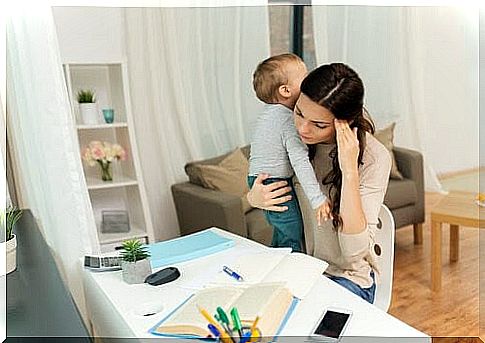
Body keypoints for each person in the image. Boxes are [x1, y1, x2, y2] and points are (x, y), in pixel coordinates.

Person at [247, 62, 392, 303]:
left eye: (319, 125)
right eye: (299, 113)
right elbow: (261, 178)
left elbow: (353, 252)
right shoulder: (294, 140)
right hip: (302, 269)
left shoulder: (373, 158)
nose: (303, 129)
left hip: (347, 279)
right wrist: (254, 197)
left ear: (344, 122)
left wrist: (349, 172)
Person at [248, 53, 331, 253]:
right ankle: (293, 271)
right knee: (292, 233)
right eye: (305, 77)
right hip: (273, 184)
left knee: (282, 231)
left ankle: (273, 262)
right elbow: (300, 162)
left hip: (263, 181)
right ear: (286, 90)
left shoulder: (268, 115)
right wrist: (318, 199)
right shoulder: (287, 120)